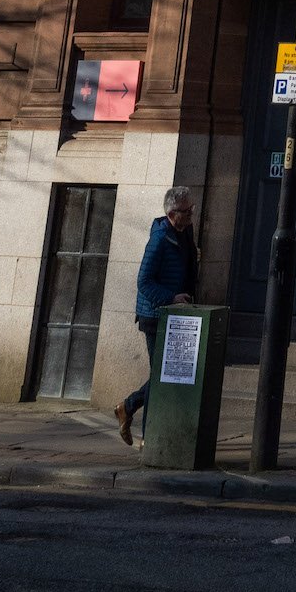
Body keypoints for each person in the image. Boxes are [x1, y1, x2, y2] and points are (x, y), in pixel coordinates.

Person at [117, 184, 197, 444]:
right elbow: (144, 281)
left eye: (192, 209)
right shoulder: (159, 239)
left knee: (164, 375)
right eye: (187, 211)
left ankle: (129, 410)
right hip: (154, 316)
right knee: (161, 377)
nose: (191, 214)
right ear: (173, 214)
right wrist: (171, 297)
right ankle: (145, 432)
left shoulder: (185, 233)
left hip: (175, 316)